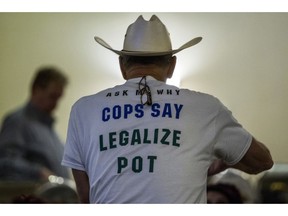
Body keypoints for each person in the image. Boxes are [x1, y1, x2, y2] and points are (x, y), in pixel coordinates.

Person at [62, 15, 273, 203]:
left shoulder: (83, 110)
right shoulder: (206, 108)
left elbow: (86, 197)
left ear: (122, 65)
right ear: (172, 65)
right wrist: (224, 161)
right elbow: (263, 161)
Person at [0, 66, 70, 182]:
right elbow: (6, 163)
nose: (56, 104)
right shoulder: (17, 122)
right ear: (35, 90)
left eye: (59, 98)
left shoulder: (50, 130)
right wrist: (39, 172)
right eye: (52, 96)